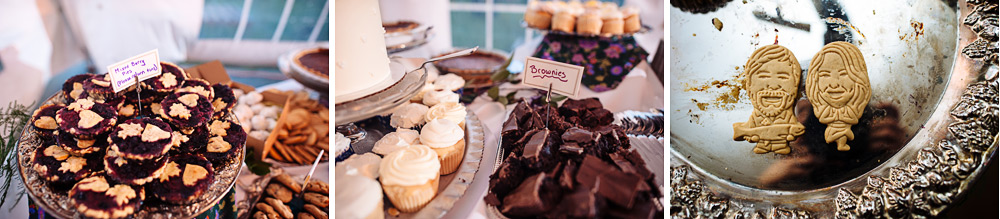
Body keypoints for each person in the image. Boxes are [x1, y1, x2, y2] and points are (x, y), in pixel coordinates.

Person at [733, 45, 805, 154]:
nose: (773, 86)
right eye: (763, 76)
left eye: (783, 77)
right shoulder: (756, 117)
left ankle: (779, 146)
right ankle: (763, 146)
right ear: (750, 85)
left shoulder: (788, 116)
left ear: (795, 84)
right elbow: (751, 126)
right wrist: (748, 134)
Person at [806, 41, 871, 151]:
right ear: (814, 80)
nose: (834, 84)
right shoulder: (811, 118)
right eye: (825, 75)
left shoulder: (873, 118)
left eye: (844, 74)